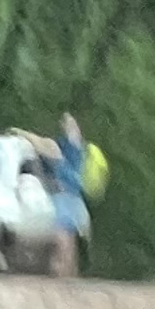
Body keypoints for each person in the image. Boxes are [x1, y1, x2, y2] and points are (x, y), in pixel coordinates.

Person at [44, 109, 91, 278]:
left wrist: (24, 135)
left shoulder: (70, 147)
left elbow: (51, 150)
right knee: (68, 238)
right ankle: (69, 277)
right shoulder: (71, 148)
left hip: (66, 196)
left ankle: (60, 273)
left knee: (62, 236)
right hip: (71, 196)